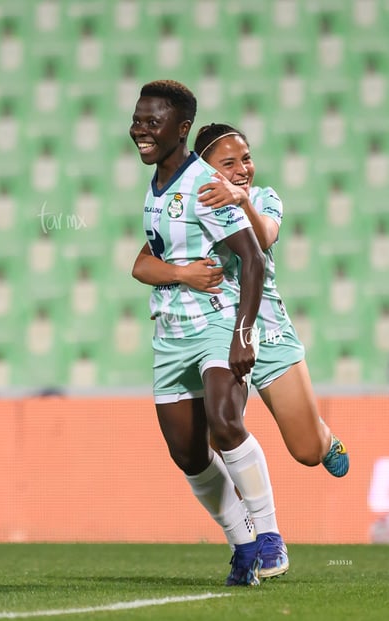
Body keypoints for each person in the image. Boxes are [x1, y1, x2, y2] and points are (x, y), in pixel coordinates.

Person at [129, 80, 288, 586]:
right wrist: (181, 273)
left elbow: (253, 258)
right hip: (170, 332)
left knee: (224, 422)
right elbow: (143, 264)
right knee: (189, 454)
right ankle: (242, 546)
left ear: (182, 129)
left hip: (217, 322)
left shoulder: (204, 185)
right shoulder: (156, 186)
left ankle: (268, 536)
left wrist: (244, 332)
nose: (139, 130)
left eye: (152, 122)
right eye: (137, 119)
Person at [133, 122, 349, 479]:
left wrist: (242, 199)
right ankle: (248, 531)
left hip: (268, 332)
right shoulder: (189, 207)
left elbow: (262, 240)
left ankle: (324, 439)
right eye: (228, 164)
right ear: (204, 170)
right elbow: (142, 264)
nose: (242, 170)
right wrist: (183, 274)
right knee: (223, 436)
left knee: (308, 452)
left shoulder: (265, 198)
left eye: (246, 159)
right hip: (216, 333)